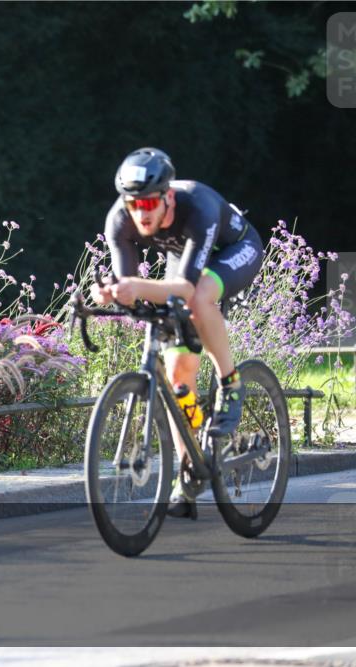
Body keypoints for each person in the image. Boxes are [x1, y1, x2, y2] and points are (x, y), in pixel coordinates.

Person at [90, 147, 264, 518]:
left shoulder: (196, 206)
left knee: (200, 299)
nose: (142, 213)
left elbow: (184, 288)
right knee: (178, 377)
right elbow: (128, 284)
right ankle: (189, 476)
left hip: (233, 249)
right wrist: (108, 292)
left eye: (150, 204)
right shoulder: (118, 220)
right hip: (185, 257)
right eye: (134, 205)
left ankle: (231, 382)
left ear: (168, 196)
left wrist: (135, 287)